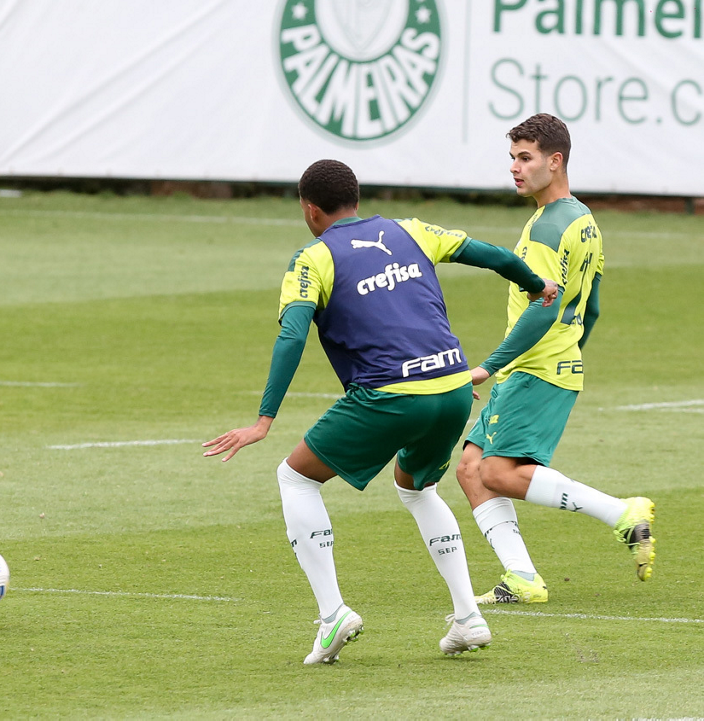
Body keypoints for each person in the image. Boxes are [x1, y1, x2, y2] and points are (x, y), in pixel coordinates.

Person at [203, 159, 558, 664]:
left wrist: (265, 419)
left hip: (391, 395)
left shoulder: (313, 258)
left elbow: (292, 335)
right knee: (417, 487)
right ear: (356, 198)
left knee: (296, 477)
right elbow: (490, 254)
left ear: (310, 210)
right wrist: (534, 284)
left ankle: (332, 615)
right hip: (454, 386)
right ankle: (467, 617)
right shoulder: (411, 230)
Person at [455, 114, 654, 605]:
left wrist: (487, 367)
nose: (515, 168)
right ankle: (522, 577)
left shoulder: (547, 227)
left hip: (535, 366)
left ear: (555, 161)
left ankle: (621, 513)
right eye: (513, 158)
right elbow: (593, 306)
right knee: (471, 467)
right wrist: (569, 355)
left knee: (496, 472)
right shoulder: (583, 219)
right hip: (550, 363)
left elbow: (545, 306)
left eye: (526, 158)